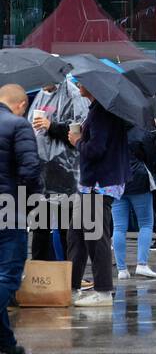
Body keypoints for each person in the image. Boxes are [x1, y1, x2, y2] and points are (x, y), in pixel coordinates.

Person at [67, 81, 131, 307]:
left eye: (81, 82)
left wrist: (77, 142)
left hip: (99, 183)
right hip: (92, 183)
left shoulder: (102, 113)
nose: (77, 84)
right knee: (76, 236)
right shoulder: (98, 111)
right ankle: (72, 287)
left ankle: (103, 291)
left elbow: (96, 149)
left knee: (95, 237)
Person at [0, 84, 39, 354]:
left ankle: (6, 344)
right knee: (8, 277)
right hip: (8, 210)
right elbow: (30, 171)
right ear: (21, 104)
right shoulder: (19, 125)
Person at [28, 76, 87, 261]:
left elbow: (78, 133)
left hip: (64, 175)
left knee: (65, 229)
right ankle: (40, 275)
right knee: (40, 228)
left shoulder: (73, 95)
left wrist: (51, 126)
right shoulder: (41, 96)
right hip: (43, 174)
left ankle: (69, 276)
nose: (43, 82)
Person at [113, 119, 156, 281]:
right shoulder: (139, 129)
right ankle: (142, 264)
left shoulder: (110, 130)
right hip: (139, 180)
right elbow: (151, 155)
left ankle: (121, 269)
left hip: (116, 179)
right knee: (146, 223)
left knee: (119, 227)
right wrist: (153, 129)